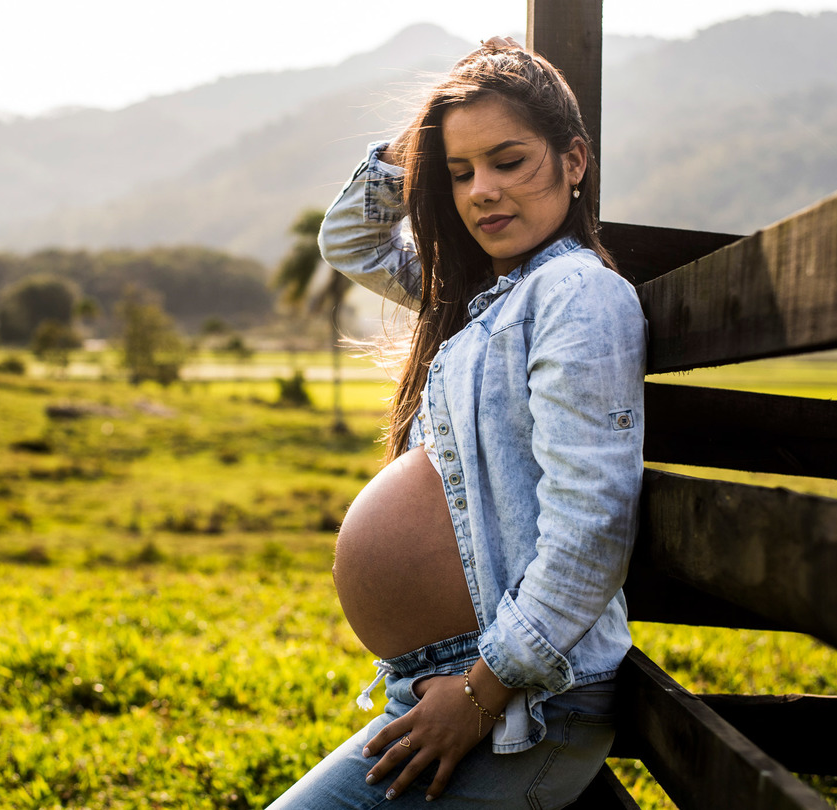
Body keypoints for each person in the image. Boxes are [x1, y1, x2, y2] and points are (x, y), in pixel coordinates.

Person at [266, 38, 647, 809]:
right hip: (466, 687)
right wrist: (438, 121)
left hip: (516, 701)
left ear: (575, 161)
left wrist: (477, 694)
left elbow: (591, 530)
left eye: (510, 161)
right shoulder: (480, 297)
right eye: (460, 172)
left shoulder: (573, 295)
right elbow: (349, 238)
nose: (482, 192)